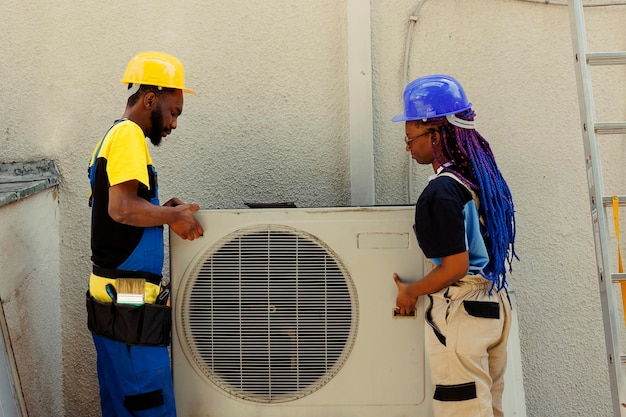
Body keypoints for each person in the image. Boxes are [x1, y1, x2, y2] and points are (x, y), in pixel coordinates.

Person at [391, 74, 518, 417]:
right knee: (487, 407)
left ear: (436, 133)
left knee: (462, 409)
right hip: (492, 303)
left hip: (463, 309)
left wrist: (410, 291)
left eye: (410, 136)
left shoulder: (441, 192)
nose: (408, 147)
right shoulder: (477, 181)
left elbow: (455, 267)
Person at [86, 51, 204, 417]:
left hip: (116, 298)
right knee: (149, 406)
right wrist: (171, 217)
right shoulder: (128, 136)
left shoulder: (113, 136)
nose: (173, 123)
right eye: (174, 111)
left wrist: (163, 209)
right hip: (128, 303)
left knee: (123, 407)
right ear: (150, 98)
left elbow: (125, 208)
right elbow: (120, 208)